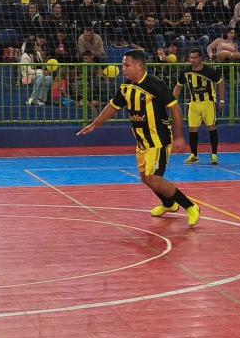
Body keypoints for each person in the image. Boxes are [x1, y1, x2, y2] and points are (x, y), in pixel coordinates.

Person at [78, 49, 200, 223]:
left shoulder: (155, 85)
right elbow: (113, 107)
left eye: (126, 65)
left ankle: (190, 206)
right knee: (146, 178)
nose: (123, 69)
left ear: (139, 66)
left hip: (158, 140)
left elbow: (175, 109)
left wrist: (179, 136)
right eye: (123, 65)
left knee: (154, 179)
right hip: (142, 142)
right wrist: (95, 124)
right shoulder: (126, 86)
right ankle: (169, 204)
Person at [174, 47, 225, 165]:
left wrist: (222, 100)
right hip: (194, 104)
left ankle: (214, 154)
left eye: (195, 57)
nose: (192, 60)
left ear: (201, 58)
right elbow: (178, 86)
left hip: (208, 103)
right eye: (190, 58)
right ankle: (194, 155)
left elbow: (220, 83)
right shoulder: (185, 72)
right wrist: (171, 102)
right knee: (192, 129)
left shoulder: (209, 71)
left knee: (211, 127)